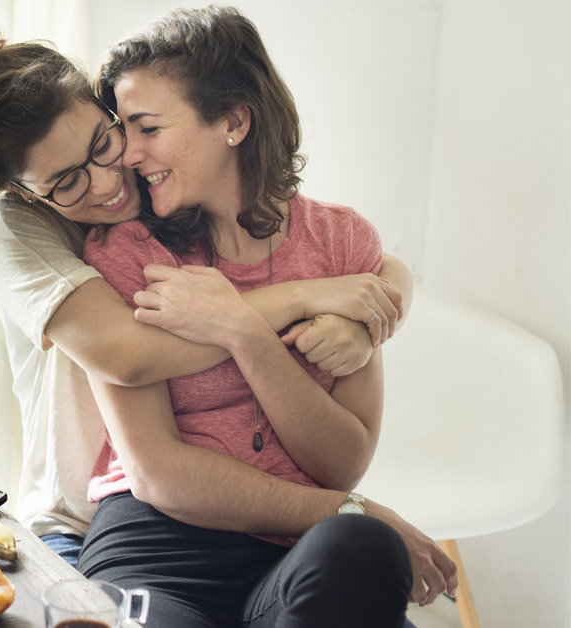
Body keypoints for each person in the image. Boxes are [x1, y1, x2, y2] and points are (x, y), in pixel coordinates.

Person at [0, 30, 445, 623]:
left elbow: (375, 279)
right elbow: (130, 362)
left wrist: (364, 315)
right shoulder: (62, 236)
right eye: (65, 183)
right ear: (26, 193)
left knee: (359, 550)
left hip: (286, 547)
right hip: (116, 523)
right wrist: (278, 308)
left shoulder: (330, 240)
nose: (111, 179)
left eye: (119, 137)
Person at [52, 6, 454, 626]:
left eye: (148, 128)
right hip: (159, 544)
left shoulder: (342, 247)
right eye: (122, 130)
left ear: (233, 121)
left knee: (361, 550)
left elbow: (342, 463)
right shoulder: (127, 251)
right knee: (359, 532)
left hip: (295, 561)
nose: (127, 155)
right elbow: (161, 477)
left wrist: (241, 329)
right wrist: (354, 509)